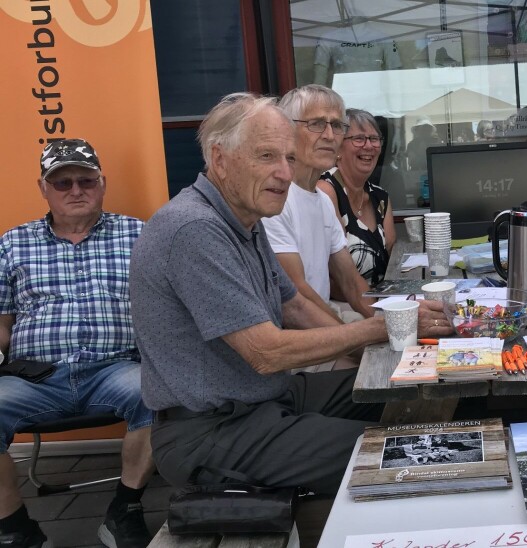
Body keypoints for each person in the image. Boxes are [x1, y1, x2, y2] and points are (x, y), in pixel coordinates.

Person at [131, 93, 451, 495]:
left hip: (266, 399)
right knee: (419, 454)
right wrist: (379, 330)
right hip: (211, 431)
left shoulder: (242, 218)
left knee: (428, 381)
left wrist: (386, 342)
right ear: (219, 158)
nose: (284, 173)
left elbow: (294, 304)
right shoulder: (194, 228)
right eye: (267, 157)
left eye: (289, 159)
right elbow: (266, 353)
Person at [0, 139, 154, 548]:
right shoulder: (12, 243)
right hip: (33, 377)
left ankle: (125, 510)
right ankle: (14, 527)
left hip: (117, 368)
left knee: (155, 390)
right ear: (43, 188)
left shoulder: (141, 234)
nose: (75, 190)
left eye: (85, 180)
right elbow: (1, 325)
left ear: (102, 183)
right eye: (62, 182)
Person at [261, 84, 376, 326]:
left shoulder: (322, 201)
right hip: (300, 339)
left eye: (337, 125)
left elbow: (352, 284)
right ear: (287, 129)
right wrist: (354, 340)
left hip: (327, 320)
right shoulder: (274, 200)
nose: (329, 135)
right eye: (316, 124)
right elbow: (297, 297)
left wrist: (393, 324)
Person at [320, 109, 396, 287]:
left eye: (374, 139)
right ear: (338, 147)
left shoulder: (380, 197)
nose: (369, 146)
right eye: (359, 139)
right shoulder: (327, 192)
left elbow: (394, 259)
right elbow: (334, 277)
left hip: (382, 298)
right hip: (344, 305)